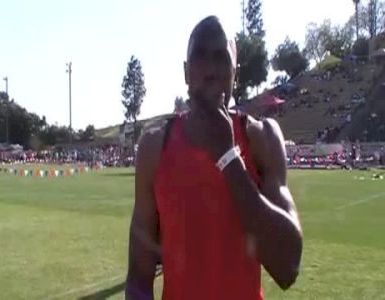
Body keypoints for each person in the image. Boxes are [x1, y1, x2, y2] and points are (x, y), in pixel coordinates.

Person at [125, 16, 303, 300]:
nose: (210, 70)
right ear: (186, 72)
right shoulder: (154, 147)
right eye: (200, 56)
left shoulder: (262, 139)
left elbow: (288, 266)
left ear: (236, 73)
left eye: (221, 57)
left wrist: (228, 157)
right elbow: (138, 278)